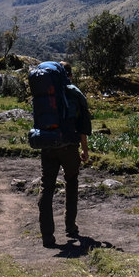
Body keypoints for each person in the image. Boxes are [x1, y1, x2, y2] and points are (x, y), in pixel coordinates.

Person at [38, 60, 92, 247]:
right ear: (69, 75)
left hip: (48, 145)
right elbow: (82, 126)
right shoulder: (74, 93)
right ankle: (70, 226)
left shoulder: (45, 93)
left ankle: (47, 235)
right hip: (69, 146)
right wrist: (84, 150)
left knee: (47, 187)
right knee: (71, 181)